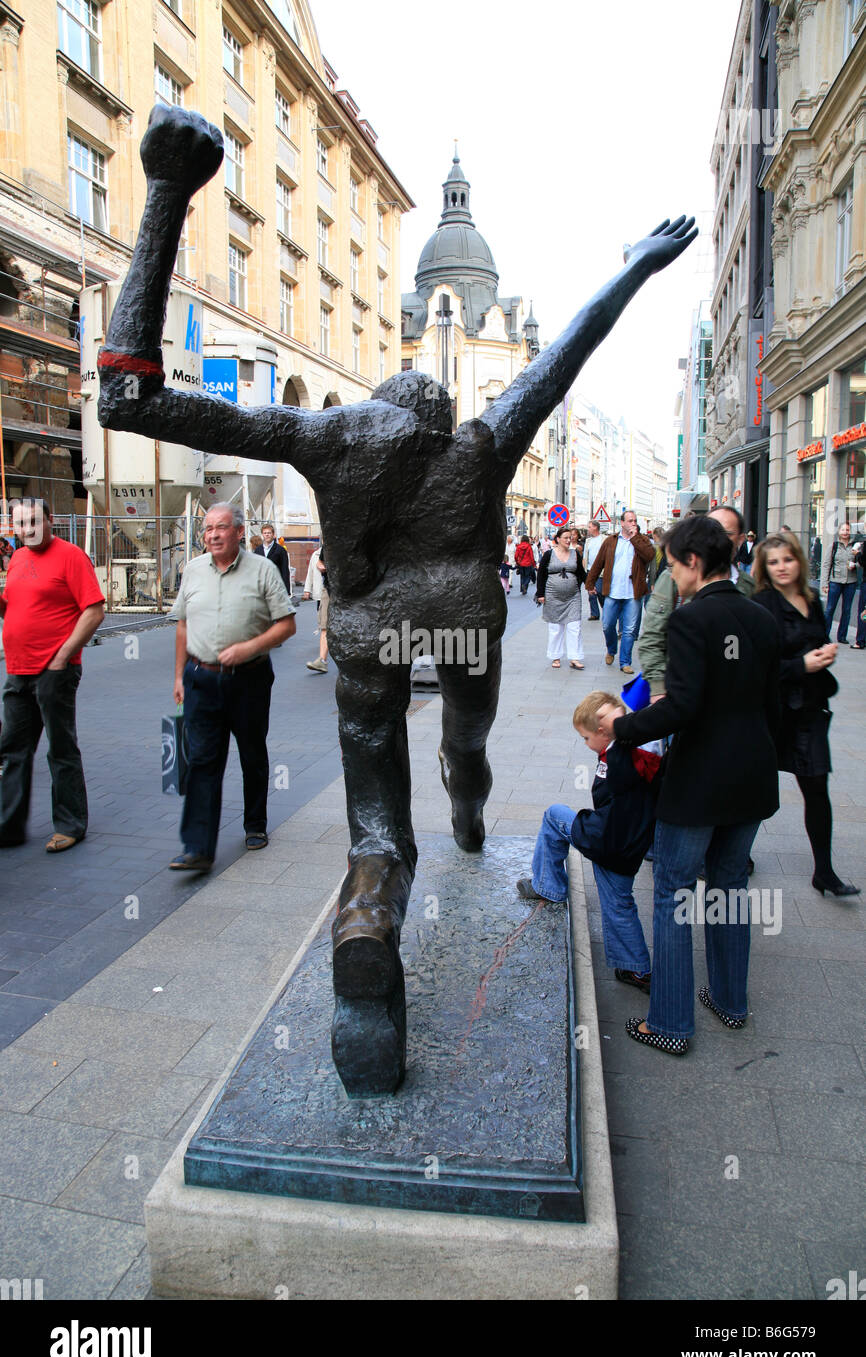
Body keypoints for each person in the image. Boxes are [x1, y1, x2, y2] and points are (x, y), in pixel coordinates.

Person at [96, 102, 699, 1094]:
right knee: (464, 738)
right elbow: (567, 355)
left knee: (376, 814)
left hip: (371, 631)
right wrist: (632, 263)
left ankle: (370, 912)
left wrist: (165, 195)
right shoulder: (474, 443)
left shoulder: (328, 435)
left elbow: (131, 399)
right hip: (461, 622)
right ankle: (466, 806)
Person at [597, 515, 781, 1054]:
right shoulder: (761, 616)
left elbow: (682, 707)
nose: (672, 576)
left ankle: (671, 1024)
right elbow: (772, 706)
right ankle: (730, 1000)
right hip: (751, 778)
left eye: (674, 566)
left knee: (674, 895)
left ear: (694, 563)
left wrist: (621, 728)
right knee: (730, 889)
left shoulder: (690, 620)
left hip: (700, 781)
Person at [167, 503, 296, 870]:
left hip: (250, 680)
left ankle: (255, 824)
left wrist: (249, 648)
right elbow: (182, 626)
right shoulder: (192, 571)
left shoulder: (263, 570)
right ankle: (198, 847)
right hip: (201, 680)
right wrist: (178, 676)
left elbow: (287, 625)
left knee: (252, 754)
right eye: (208, 529)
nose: (213, 535)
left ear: (239, 532)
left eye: (221, 527)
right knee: (203, 760)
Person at [516, 690, 660, 994]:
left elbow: (613, 784)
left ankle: (549, 887)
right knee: (618, 902)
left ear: (602, 731)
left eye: (585, 738)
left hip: (606, 840)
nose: (586, 745)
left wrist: (615, 731)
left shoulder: (620, 755)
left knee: (555, 815)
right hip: (629, 844)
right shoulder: (646, 755)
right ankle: (636, 968)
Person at [752, 533, 859, 896]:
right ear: (765, 569)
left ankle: (824, 871)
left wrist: (825, 655)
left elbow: (816, 642)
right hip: (774, 710)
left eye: (787, 559)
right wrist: (802, 665)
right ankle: (737, 855)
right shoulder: (762, 604)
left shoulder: (812, 600)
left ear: (799, 560)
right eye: (773, 562)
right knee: (755, 786)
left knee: (816, 787)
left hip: (811, 709)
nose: (782, 567)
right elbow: (758, 666)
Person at [0, 497, 105, 851]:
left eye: (34, 521)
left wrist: (63, 655)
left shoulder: (71, 556)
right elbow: (14, 608)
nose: (27, 529)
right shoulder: (16, 558)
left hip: (54, 669)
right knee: (12, 749)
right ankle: (7, 827)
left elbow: (93, 610)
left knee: (60, 748)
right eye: (21, 523)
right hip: (17, 668)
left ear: (50, 521)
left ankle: (70, 825)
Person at [639, 505, 755, 702]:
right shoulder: (674, 581)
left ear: (740, 539)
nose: (716, 539)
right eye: (711, 530)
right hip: (681, 694)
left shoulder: (749, 591)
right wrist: (659, 688)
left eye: (725, 533)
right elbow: (652, 636)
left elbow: (737, 650)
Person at [585, 509, 655, 672]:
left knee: (629, 630)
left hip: (633, 593)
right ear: (622, 523)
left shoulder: (642, 540)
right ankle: (611, 650)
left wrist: (635, 538)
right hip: (613, 591)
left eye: (635, 521)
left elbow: (649, 556)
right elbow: (598, 563)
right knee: (607, 625)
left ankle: (625, 662)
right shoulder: (610, 541)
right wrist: (590, 584)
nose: (633, 523)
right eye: (630, 520)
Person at [536, 526, 586, 668]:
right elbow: (541, 575)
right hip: (553, 596)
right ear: (558, 539)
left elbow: (581, 573)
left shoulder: (575, 554)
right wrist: (540, 594)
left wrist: (589, 585)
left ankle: (574, 657)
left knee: (574, 627)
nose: (568, 540)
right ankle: (555, 657)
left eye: (570, 538)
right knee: (556, 628)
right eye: (565, 538)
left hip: (573, 597)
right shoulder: (549, 554)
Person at [821, 521, 859, 643]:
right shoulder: (833, 546)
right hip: (835, 581)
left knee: (847, 610)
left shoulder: (855, 547)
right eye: (843, 530)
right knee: (830, 609)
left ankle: (842, 636)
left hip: (851, 582)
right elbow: (826, 565)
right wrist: (825, 584)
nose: (845, 532)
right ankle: (825, 635)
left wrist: (855, 564)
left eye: (847, 530)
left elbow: (861, 561)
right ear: (839, 531)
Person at [302, 546, 329, 673]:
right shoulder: (324, 549)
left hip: (348, 591)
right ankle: (322, 660)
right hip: (329, 589)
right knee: (324, 625)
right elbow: (318, 564)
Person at [252, 523, 292, 594]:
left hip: (276, 586)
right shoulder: (258, 550)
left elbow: (285, 571)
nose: (267, 535)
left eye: (269, 533)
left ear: (273, 534)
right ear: (262, 535)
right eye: (265, 533)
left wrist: (286, 590)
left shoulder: (280, 550)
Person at [582, 521, 605, 620]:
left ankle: (607, 609)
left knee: (599, 591)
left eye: (590, 527)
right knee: (591, 593)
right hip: (589, 570)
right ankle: (594, 614)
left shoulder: (604, 539)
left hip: (601, 570)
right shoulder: (588, 541)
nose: (588, 529)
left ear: (595, 527)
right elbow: (585, 556)